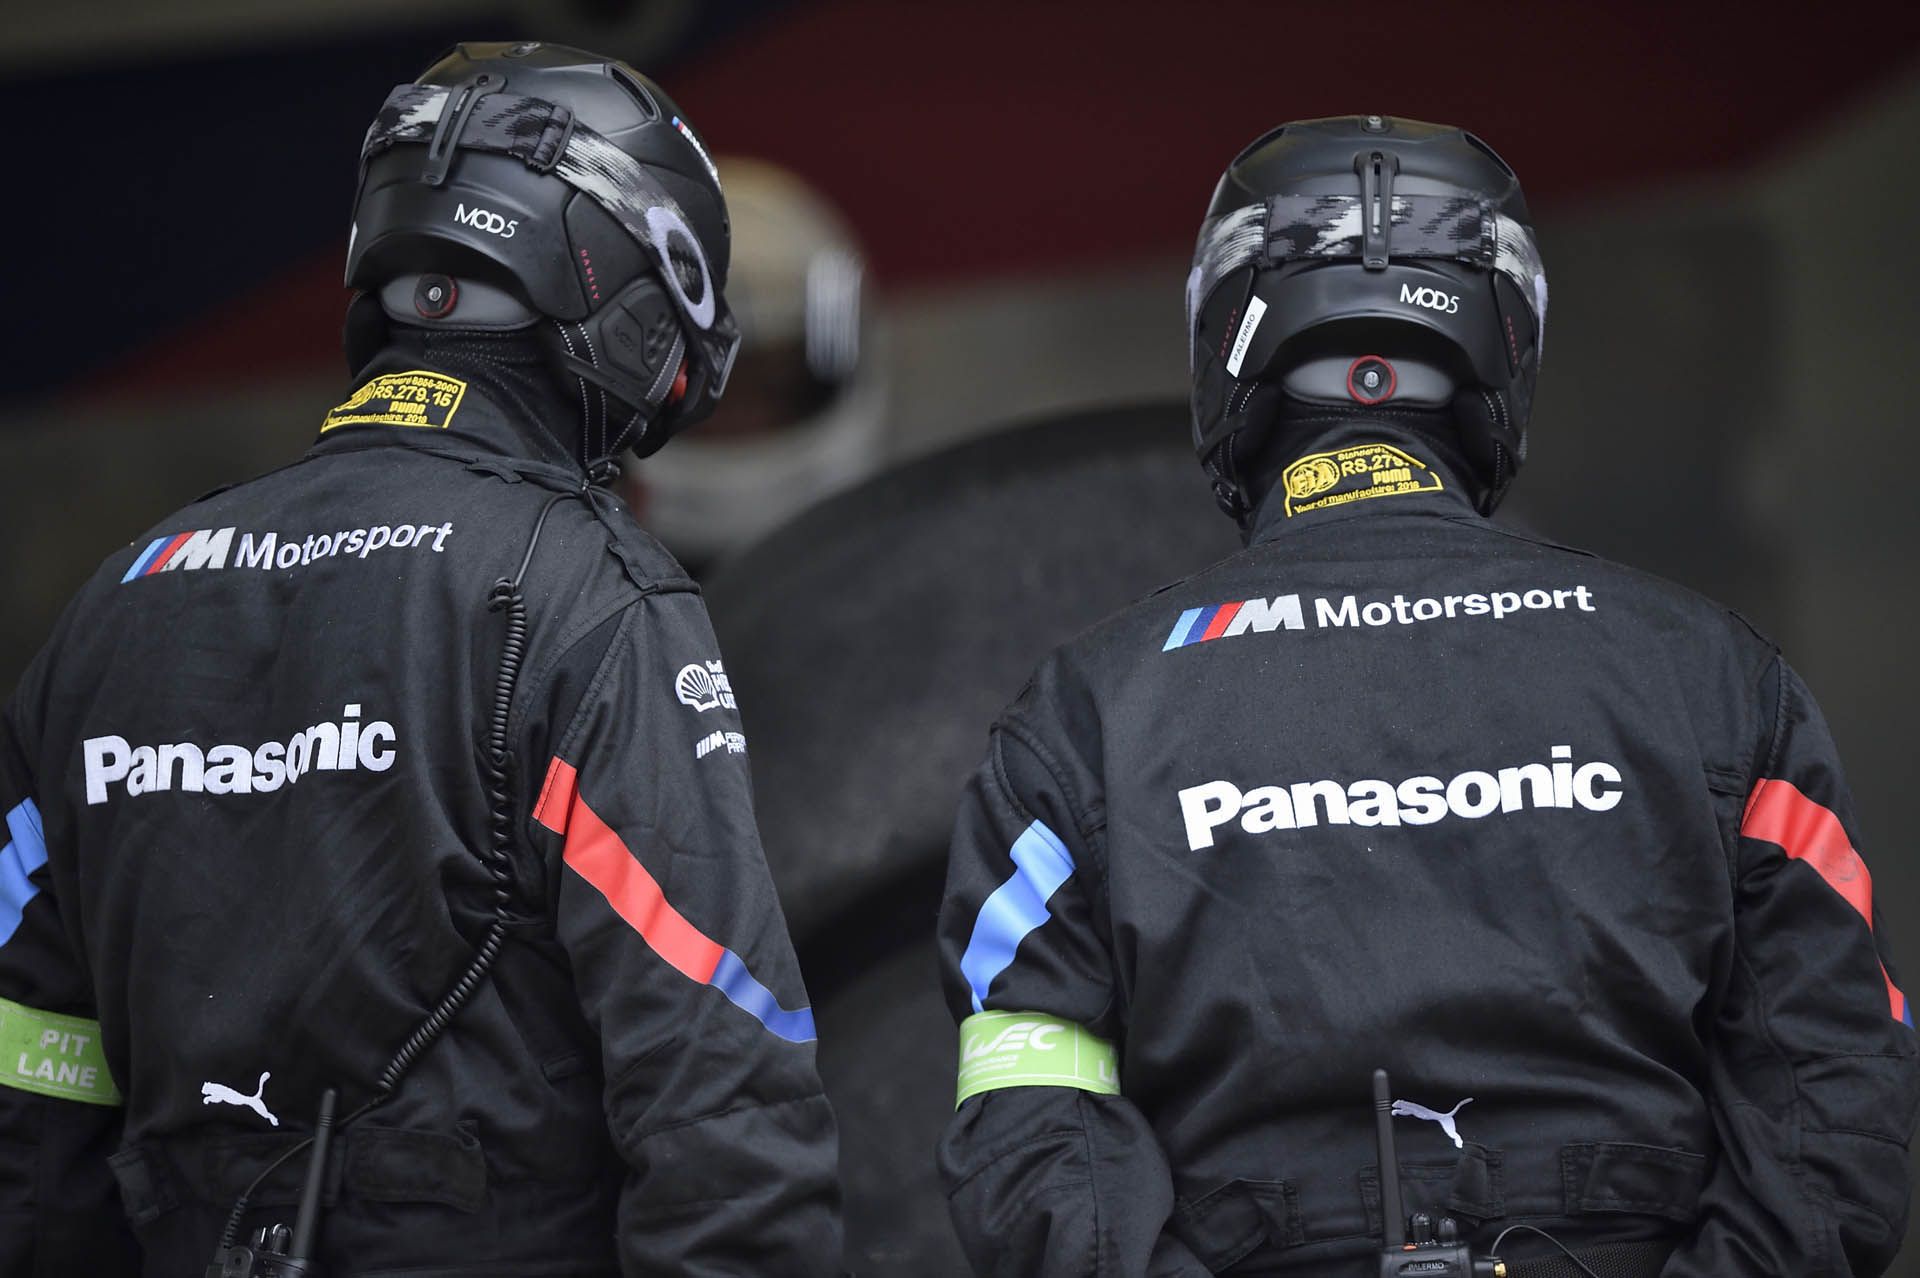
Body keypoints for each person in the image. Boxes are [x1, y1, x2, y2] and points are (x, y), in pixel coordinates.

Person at [935, 115, 1918, 1277]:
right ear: (1505, 348)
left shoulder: (1083, 718)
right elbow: (1836, 1081)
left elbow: (1030, 1122)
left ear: (1227, 349)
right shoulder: (1713, 675)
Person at [0, 41, 842, 1276]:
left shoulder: (113, 608)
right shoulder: (590, 600)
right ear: (613, 281)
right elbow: (722, 1096)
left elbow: (30, 1092)